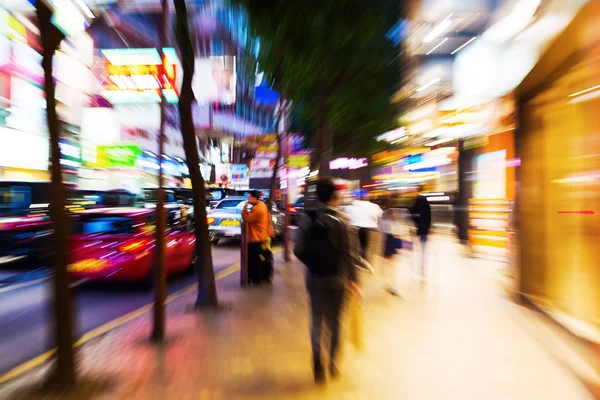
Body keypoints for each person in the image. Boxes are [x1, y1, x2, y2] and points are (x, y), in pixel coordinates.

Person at [294, 178, 362, 384]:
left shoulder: (307, 218)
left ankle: (317, 359)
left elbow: (298, 250)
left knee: (316, 320)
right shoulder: (345, 219)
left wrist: (313, 263)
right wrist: (354, 280)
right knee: (335, 322)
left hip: (315, 277)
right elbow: (352, 254)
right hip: (339, 278)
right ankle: (332, 364)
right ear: (335, 196)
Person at [242, 190, 274, 285]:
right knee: (257, 257)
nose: (248, 199)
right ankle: (258, 277)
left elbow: (247, 218)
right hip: (262, 235)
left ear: (255, 198)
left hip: (256, 237)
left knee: (253, 259)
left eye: (249, 197)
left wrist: (245, 207)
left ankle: (255, 279)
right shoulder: (262, 205)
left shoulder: (257, 209)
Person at [344, 192, 383, 259]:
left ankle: (357, 263)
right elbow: (380, 216)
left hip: (354, 229)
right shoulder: (374, 206)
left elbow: (346, 218)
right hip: (370, 230)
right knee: (367, 250)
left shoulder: (349, 207)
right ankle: (366, 264)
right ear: (366, 197)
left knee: (354, 249)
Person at [379, 199, 402, 297]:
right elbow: (397, 230)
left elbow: (380, 228)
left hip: (386, 239)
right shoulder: (394, 215)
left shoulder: (383, 215)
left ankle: (388, 283)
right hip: (392, 239)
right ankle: (391, 283)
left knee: (387, 262)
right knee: (391, 263)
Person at [409, 186, 432, 280]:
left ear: (417, 191)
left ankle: (420, 263)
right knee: (423, 244)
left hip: (419, 227)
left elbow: (412, 211)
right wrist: (429, 226)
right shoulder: (425, 200)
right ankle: (423, 260)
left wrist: (415, 221)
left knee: (420, 244)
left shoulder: (418, 199)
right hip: (425, 227)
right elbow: (429, 214)